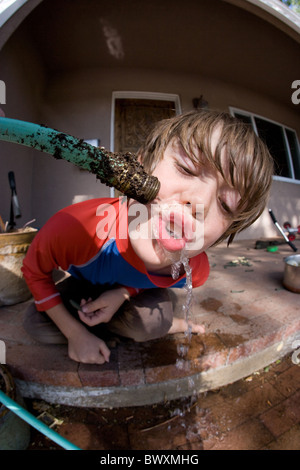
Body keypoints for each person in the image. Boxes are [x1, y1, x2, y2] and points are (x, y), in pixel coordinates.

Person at [22, 110, 274, 365]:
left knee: (153, 322)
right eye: (186, 168)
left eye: (226, 204)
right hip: (85, 284)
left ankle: (163, 324)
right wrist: (74, 334)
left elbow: (143, 279)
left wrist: (124, 293)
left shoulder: (193, 270)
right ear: (139, 166)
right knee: (35, 323)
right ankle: (92, 329)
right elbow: (33, 272)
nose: (200, 202)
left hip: (128, 294)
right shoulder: (76, 228)